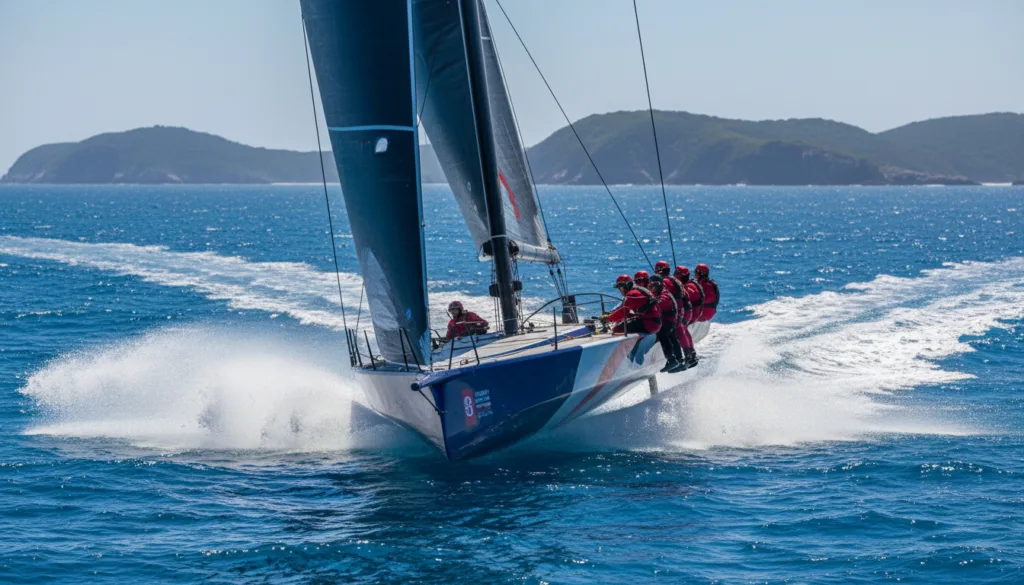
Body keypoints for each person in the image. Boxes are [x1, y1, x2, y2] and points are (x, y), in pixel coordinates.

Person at [656, 261, 698, 368]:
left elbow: (663, 297)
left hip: (678, 312)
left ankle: (686, 357)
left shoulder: (665, 282)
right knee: (681, 331)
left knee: (678, 332)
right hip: (684, 310)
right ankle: (690, 356)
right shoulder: (673, 280)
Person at [648, 275, 686, 372]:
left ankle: (671, 359)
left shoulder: (664, 296)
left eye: (653, 285)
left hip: (668, 322)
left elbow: (655, 306)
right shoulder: (663, 293)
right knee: (672, 338)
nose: (651, 287)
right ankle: (679, 358)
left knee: (663, 336)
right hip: (671, 321)